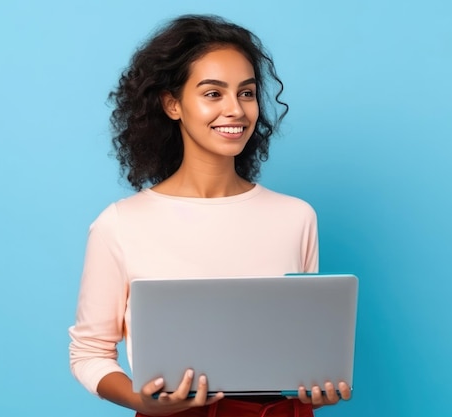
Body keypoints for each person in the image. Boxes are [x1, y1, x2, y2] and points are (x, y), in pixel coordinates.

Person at [68, 14, 351, 417]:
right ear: (172, 104)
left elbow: (301, 345)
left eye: (247, 93)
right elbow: (88, 353)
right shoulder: (121, 224)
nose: (235, 110)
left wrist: (317, 386)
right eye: (213, 94)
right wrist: (138, 400)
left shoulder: (296, 217)